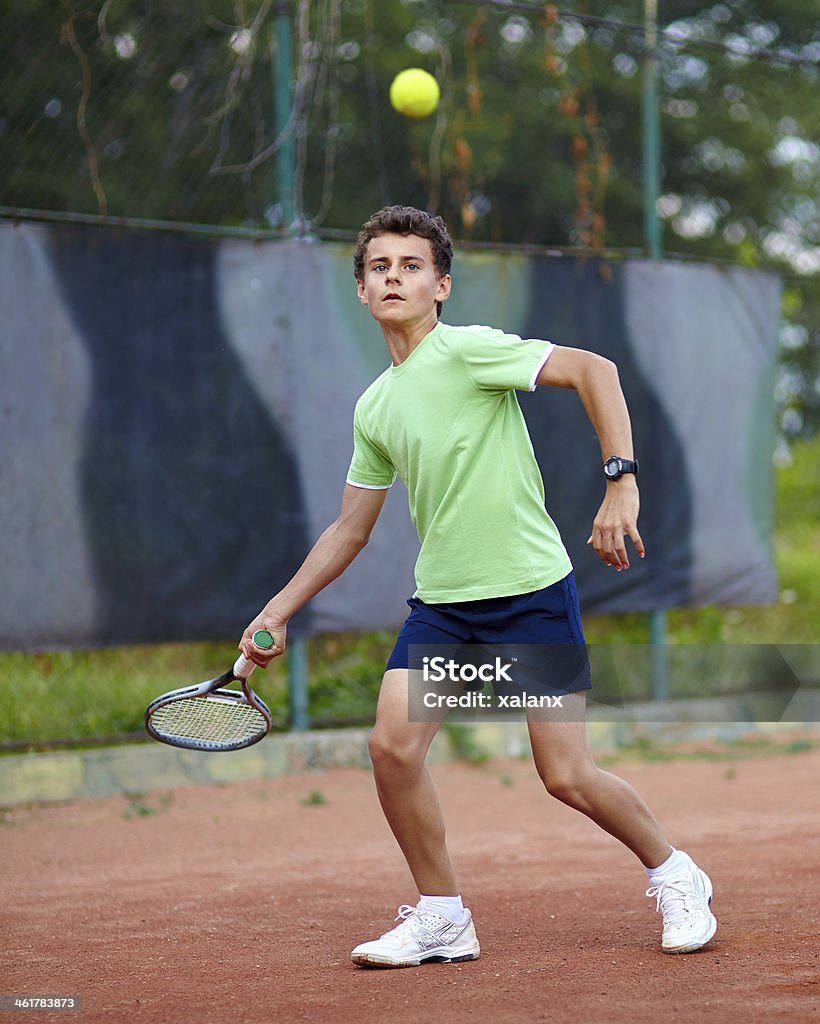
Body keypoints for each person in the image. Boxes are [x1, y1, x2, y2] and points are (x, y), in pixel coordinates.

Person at [239, 205, 717, 968]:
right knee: (392, 749)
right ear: (361, 291)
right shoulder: (376, 405)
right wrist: (277, 609)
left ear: (442, 286)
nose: (394, 276)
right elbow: (349, 529)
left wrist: (620, 483)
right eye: (379, 267)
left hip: (529, 594)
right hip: (445, 610)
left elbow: (597, 370)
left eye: (411, 265)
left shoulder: (468, 352)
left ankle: (676, 873)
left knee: (566, 776)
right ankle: (442, 916)